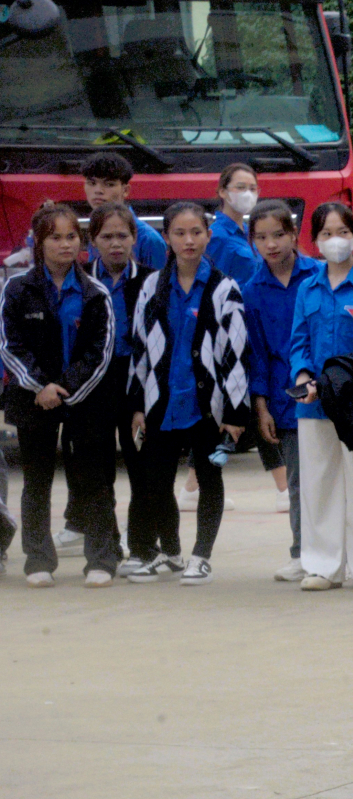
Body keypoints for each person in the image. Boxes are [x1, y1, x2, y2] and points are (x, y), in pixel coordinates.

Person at [123, 201, 252, 583]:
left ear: (209, 236)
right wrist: (136, 405)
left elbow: (236, 354)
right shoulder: (151, 286)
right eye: (179, 233)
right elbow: (141, 350)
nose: (189, 240)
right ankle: (172, 553)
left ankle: (202, 555)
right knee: (156, 482)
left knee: (209, 479)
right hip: (161, 401)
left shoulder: (224, 288)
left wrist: (234, 414)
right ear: (166, 238)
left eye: (196, 232)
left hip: (207, 406)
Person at [0, 202, 116, 586]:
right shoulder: (16, 289)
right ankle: (38, 560)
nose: (65, 245)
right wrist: (40, 386)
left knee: (93, 479)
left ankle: (100, 559)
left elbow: (100, 351)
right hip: (34, 400)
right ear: (38, 241)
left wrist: (65, 390)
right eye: (55, 237)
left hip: (84, 400)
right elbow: (9, 345)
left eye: (72, 237)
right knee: (37, 482)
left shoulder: (95, 292)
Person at [287, 202, 353, 591]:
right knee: (319, 482)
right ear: (315, 241)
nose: (336, 241)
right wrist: (303, 379)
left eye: (343, 232)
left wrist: (331, 383)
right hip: (313, 406)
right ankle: (322, 565)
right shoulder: (307, 287)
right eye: (326, 234)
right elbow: (299, 341)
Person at [241, 201, 322, 582]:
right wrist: (261, 407)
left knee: (333, 476)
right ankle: (302, 551)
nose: (270, 244)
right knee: (297, 480)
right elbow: (256, 353)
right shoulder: (252, 290)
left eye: (278, 235)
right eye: (261, 237)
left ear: (293, 235)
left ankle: (339, 549)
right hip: (282, 396)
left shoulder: (320, 276)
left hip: (326, 392)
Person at [86, 204, 156, 576]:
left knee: (142, 468)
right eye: (107, 237)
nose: (116, 244)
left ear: (134, 239)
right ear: (92, 241)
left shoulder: (151, 281)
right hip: (93, 386)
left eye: (123, 236)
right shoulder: (81, 281)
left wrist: (145, 398)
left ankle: (144, 548)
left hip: (138, 386)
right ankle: (104, 551)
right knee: (97, 473)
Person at [78, 153, 167, 270]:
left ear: (125, 190)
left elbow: (158, 284)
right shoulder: (95, 228)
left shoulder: (149, 240)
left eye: (109, 184)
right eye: (92, 183)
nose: (98, 191)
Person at [206, 163, 262, 285]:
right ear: (222, 191)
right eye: (240, 187)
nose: (247, 194)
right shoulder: (216, 236)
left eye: (252, 189)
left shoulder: (251, 232)